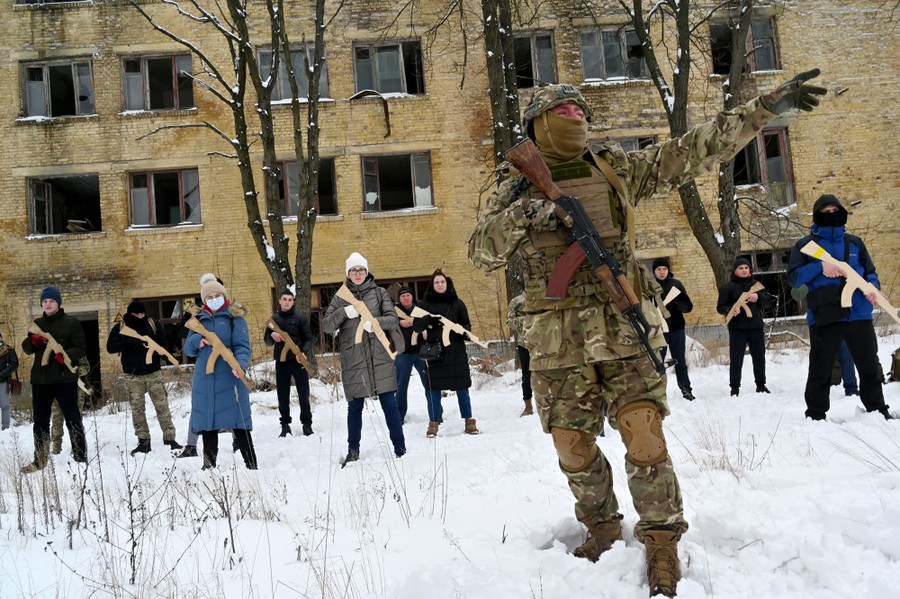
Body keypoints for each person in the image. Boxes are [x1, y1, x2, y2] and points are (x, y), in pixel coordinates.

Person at [468, 72, 825, 596]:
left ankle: (661, 542)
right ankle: (603, 529)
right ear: (536, 126)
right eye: (563, 113)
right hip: (555, 339)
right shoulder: (514, 186)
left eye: (580, 112)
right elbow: (481, 252)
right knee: (571, 445)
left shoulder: (615, 169)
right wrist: (531, 209)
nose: (576, 119)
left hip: (624, 329)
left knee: (643, 431)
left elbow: (693, 149)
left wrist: (763, 109)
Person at [786, 194, 892, 421]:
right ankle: (815, 415)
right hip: (825, 315)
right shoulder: (805, 246)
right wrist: (820, 267)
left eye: (835, 211)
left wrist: (872, 288)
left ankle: (877, 411)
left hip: (859, 313)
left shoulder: (854, 243)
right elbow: (793, 278)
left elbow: (870, 272)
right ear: (816, 215)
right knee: (820, 369)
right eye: (826, 212)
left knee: (870, 367)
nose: (831, 215)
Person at [322, 252, 406, 464]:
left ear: (366, 272)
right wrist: (344, 313)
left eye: (360, 269)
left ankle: (400, 448)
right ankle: (353, 450)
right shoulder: (340, 297)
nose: (357, 273)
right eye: (353, 270)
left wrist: (374, 323)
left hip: (380, 358)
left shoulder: (379, 293)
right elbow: (327, 326)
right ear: (348, 273)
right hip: (354, 360)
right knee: (355, 407)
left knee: (389, 404)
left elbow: (393, 319)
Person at [184, 274, 257, 470]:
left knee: (239, 421)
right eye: (210, 296)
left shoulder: (235, 316)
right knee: (209, 425)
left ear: (224, 295)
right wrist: (196, 341)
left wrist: (240, 364)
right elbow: (188, 350)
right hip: (205, 379)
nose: (214, 298)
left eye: (218, 294)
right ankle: (209, 467)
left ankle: (252, 466)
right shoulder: (198, 318)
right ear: (204, 299)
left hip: (230, 376)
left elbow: (243, 346)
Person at [20, 286, 89, 472]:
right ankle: (40, 460)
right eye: (45, 301)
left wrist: (64, 354)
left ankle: (80, 456)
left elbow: (81, 348)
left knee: (72, 418)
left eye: (51, 301)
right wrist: (32, 341)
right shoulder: (37, 324)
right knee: (40, 421)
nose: (48, 304)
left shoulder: (71, 323)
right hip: (40, 380)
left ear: (58, 303)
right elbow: (26, 349)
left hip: (64, 379)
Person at [107, 300, 182, 455]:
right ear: (130, 314)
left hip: (153, 372)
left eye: (142, 313)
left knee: (162, 407)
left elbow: (164, 344)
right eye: (136, 314)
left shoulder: (154, 324)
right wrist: (130, 342)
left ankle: (170, 439)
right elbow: (110, 347)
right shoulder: (121, 327)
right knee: (137, 410)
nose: (140, 317)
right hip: (132, 375)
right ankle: (143, 441)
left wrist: (163, 353)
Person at [416, 269, 479, 437]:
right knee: (434, 389)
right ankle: (434, 423)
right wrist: (428, 321)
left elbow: (467, 325)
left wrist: (462, 331)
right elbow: (417, 327)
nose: (440, 285)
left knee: (462, 387)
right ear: (432, 285)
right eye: (436, 282)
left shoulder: (457, 303)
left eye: (442, 282)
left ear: (447, 283)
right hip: (436, 353)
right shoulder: (424, 305)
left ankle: (469, 421)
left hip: (456, 351)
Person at [716, 258, 773, 396]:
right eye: (740, 268)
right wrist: (730, 310)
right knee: (736, 359)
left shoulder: (757, 286)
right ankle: (734, 387)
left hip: (756, 328)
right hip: (737, 329)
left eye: (746, 268)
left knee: (759, 358)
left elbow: (768, 302)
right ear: (735, 271)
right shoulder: (727, 288)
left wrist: (757, 297)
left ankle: (761, 385)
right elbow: (720, 307)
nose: (744, 270)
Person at [264, 289, 314, 437]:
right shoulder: (274, 320)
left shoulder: (300, 319)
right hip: (282, 362)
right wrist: (272, 335)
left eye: (289, 299)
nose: (286, 302)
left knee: (303, 394)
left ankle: (307, 424)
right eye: (284, 299)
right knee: (283, 395)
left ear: (293, 302)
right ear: (279, 301)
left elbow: (308, 338)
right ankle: (285, 425)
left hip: (298, 360)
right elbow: (267, 341)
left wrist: (303, 352)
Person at [652, 258, 695, 401]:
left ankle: (686, 390)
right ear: (654, 271)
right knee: (658, 363)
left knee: (680, 361)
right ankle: (658, 394)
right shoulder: (649, 286)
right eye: (659, 269)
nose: (662, 272)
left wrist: (676, 306)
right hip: (658, 331)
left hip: (676, 328)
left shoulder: (676, 285)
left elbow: (688, 306)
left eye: (664, 269)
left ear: (668, 270)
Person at [394, 286, 431, 424]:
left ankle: (435, 414)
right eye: (403, 296)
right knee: (401, 386)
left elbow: (431, 322)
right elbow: (386, 325)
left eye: (408, 295)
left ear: (412, 297)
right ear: (399, 298)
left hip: (421, 352)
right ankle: (399, 416)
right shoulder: (394, 312)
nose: (406, 298)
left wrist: (426, 328)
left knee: (429, 383)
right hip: (403, 354)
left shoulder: (419, 311)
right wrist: (399, 322)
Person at [50, 356, 91, 454]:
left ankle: (77, 447)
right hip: (56, 386)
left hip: (75, 387)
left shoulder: (77, 349)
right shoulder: (51, 349)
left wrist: (72, 372)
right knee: (56, 419)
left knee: (75, 420)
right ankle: (56, 448)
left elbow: (86, 367)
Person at [506, 293, 534, 416]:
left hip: (546, 343)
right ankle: (528, 406)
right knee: (527, 376)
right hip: (525, 344)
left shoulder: (544, 296)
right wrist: (528, 320)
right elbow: (510, 321)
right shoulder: (517, 301)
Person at [0, 333, 19, 430]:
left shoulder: (9, 350)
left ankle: (5, 427)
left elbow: (14, 364)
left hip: (3, 381)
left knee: (5, 405)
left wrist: (2, 374)